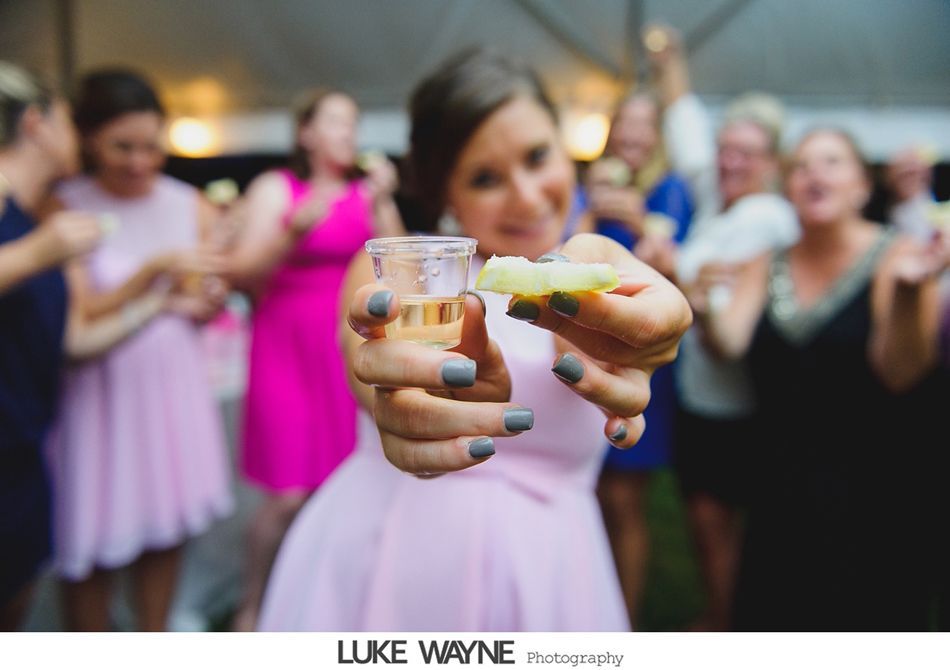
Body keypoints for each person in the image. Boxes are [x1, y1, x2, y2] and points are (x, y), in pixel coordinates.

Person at [257, 47, 692, 632]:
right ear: (444, 194)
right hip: (393, 555)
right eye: (485, 178)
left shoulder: (608, 276)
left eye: (538, 157)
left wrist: (652, 336)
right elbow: (368, 361)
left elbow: (642, 343)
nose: (528, 196)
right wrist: (400, 399)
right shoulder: (405, 273)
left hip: (553, 571)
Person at [694, 128, 949, 630]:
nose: (814, 173)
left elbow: (900, 373)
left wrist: (906, 294)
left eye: (832, 162)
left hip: (878, 495)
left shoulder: (898, 257)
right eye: (802, 165)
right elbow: (730, 344)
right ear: (788, 188)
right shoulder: (765, 264)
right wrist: (703, 309)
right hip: (780, 489)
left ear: (861, 186)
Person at [45, 69, 233, 631]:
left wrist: (210, 298)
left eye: (151, 146)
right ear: (87, 138)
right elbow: (77, 316)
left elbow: (202, 301)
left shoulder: (188, 204)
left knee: (164, 527)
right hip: (97, 396)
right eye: (121, 146)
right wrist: (151, 274)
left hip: (170, 389)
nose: (139, 161)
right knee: (91, 536)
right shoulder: (63, 208)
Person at [0, 62, 182, 630]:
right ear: (37, 123)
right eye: (66, 119)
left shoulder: (30, 213)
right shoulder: (31, 223)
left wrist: (159, 301)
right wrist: (36, 254)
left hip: (24, 447)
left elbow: (73, 342)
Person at [225, 88, 403, 631]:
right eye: (334, 123)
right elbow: (239, 272)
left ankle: (317, 602)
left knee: (337, 484)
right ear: (306, 133)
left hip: (341, 347)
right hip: (284, 346)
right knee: (287, 494)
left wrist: (385, 201)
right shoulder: (278, 189)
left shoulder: (363, 193)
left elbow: (399, 268)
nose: (346, 135)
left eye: (352, 124)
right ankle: (254, 601)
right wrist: (292, 233)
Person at [646, 27, 799, 630]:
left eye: (746, 153)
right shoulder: (720, 197)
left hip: (742, 402)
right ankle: (721, 614)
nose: (729, 160)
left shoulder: (771, 216)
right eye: (726, 148)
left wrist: (669, 261)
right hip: (701, 393)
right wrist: (671, 64)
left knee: (722, 519)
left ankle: (734, 625)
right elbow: (687, 135)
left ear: (772, 165)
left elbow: (712, 291)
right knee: (703, 516)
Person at [583, 92, 694, 627]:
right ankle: (590, 605)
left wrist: (637, 218)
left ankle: (622, 621)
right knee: (594, 491)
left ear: (657, 138)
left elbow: (669, 267)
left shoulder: (669, 189)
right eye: (623, 123)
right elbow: (564, 247)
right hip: (584, 347)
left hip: (638, 354)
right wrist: (592, 206)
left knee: (627, 496)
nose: (631, 134)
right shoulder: (594, 186)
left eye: (642, 125)